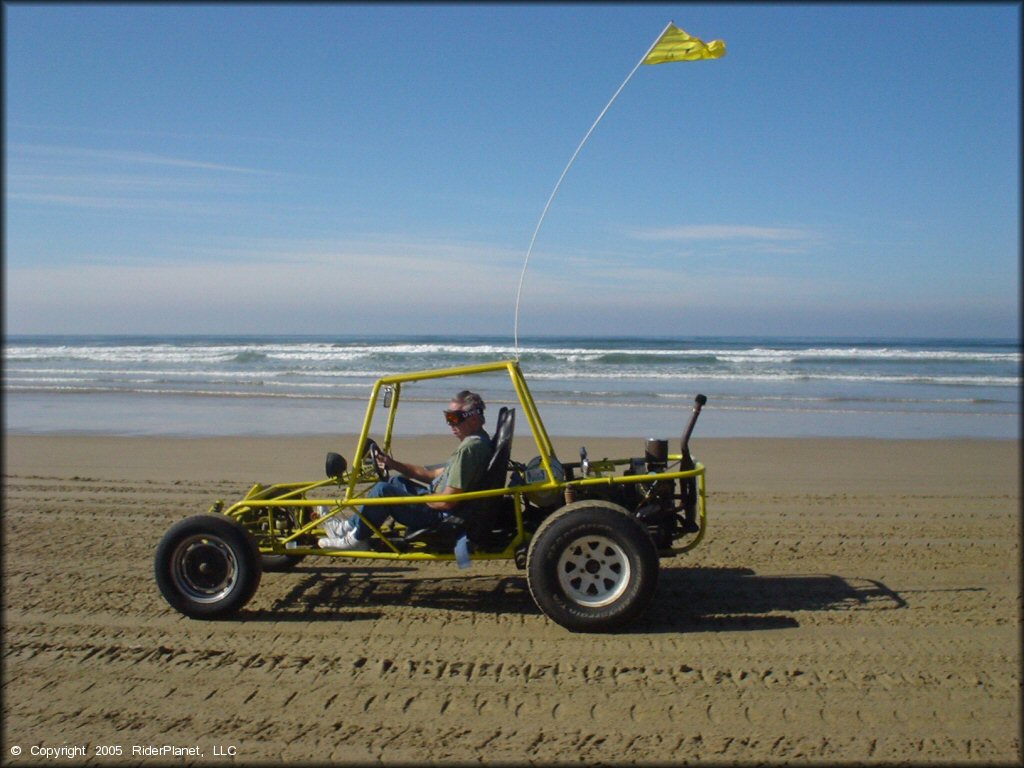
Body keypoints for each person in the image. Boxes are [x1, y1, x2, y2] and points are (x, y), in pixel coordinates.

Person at [318, 390, 492, 550]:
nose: (449, 423)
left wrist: (421, 499)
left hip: (440, 516)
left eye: (454, 418)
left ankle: (355, 539)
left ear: (474, 419)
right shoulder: (478, 442)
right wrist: (392, 463)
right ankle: (345, 528)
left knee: (382, 490)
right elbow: (430, 475)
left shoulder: (469, 450)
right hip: (439, 506)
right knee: (396, 481)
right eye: (448, 417)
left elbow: (448, 501)